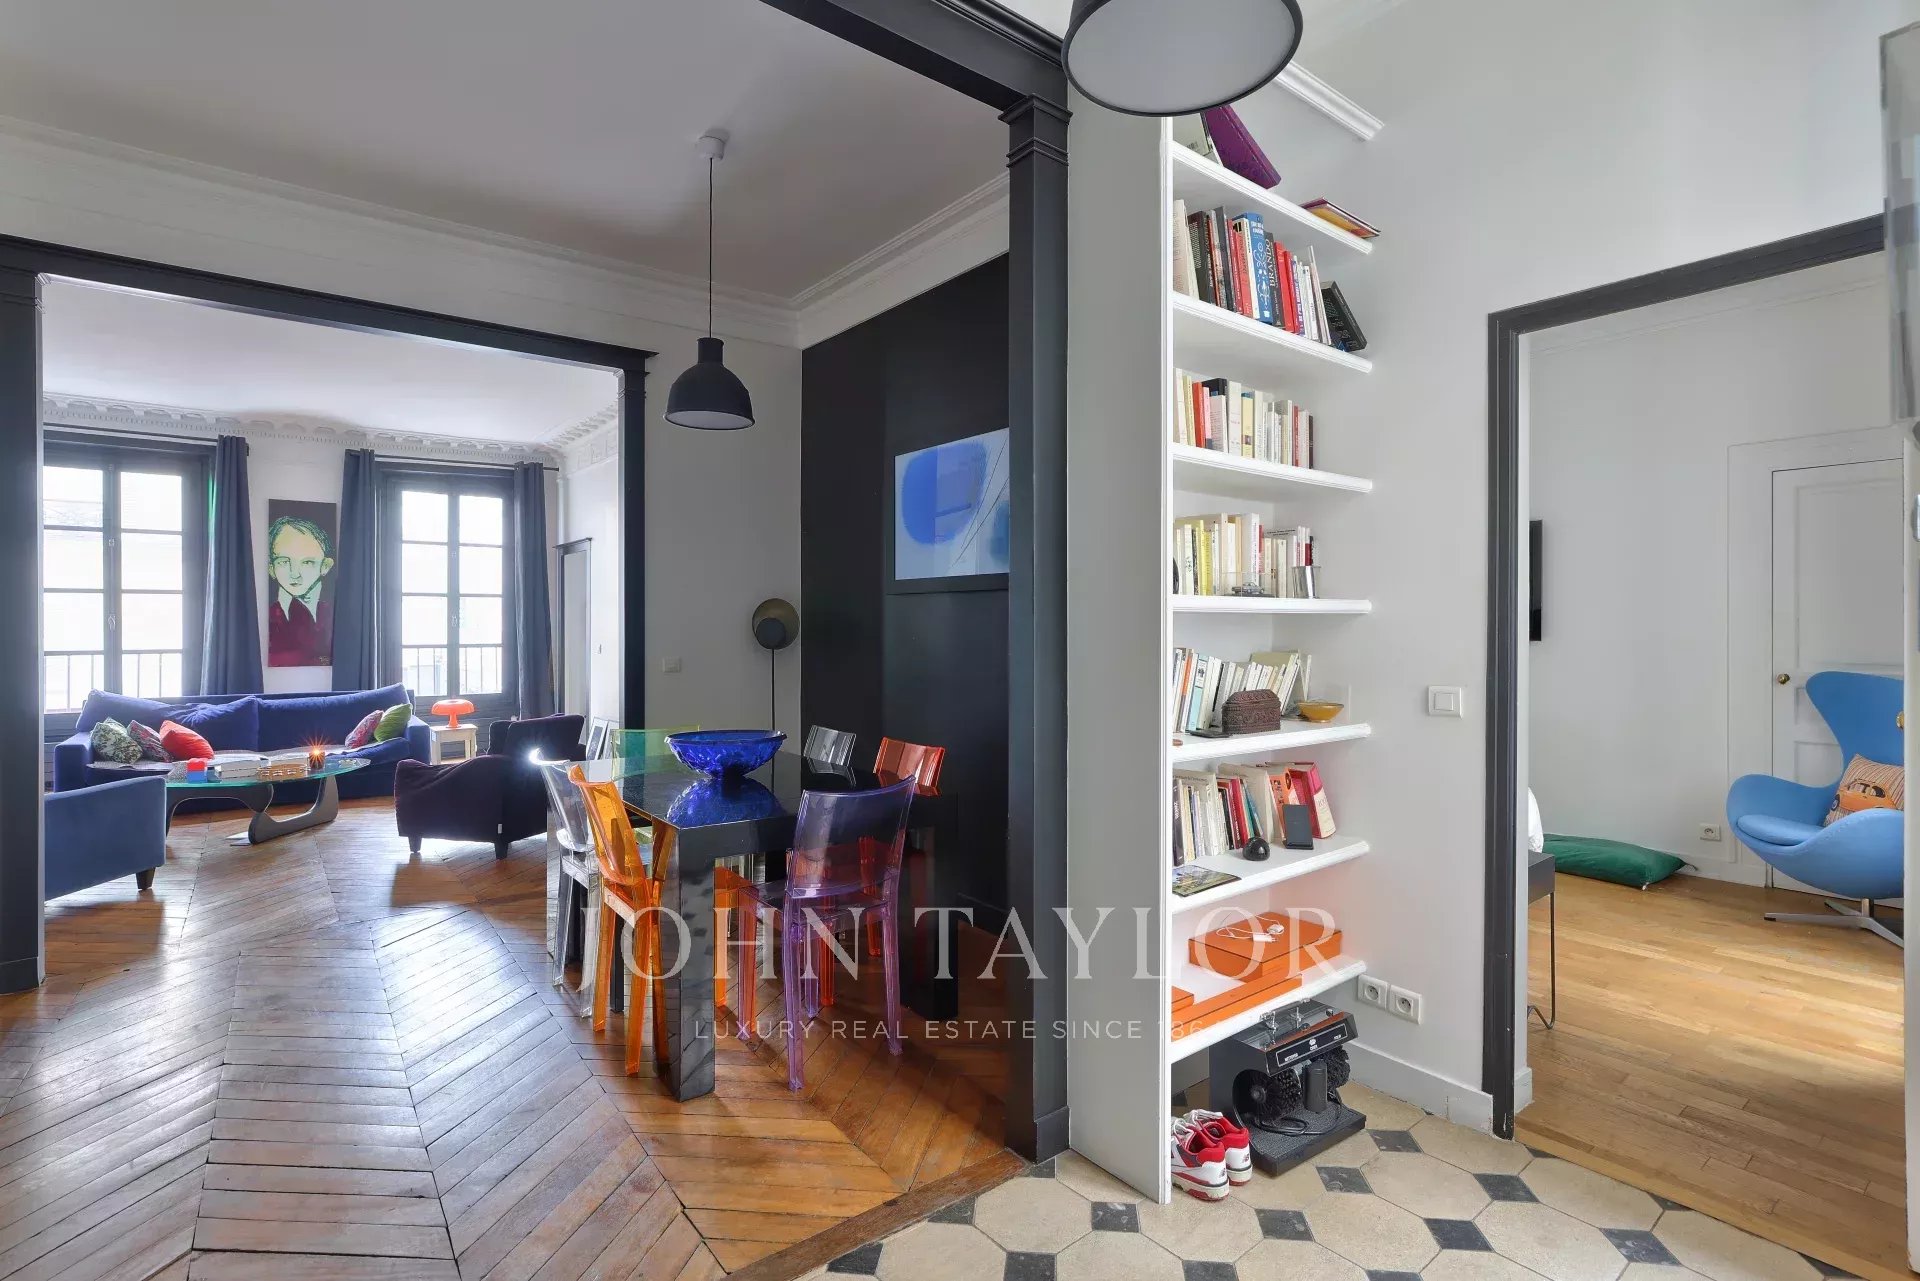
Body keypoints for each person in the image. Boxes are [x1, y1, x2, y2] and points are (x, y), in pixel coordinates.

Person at [267, 514, 335, 666]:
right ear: (271, 569)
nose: (295, 574)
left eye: (307, 562)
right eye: (284, 562)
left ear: (325, 566)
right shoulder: (268, 617)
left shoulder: (333, 615)